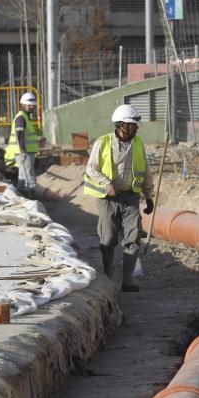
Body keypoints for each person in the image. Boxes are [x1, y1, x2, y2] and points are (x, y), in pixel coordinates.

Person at [82, 104, 155, 292]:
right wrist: (106, 183)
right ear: (121, 125)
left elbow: (145, 170)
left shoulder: (137, 143)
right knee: (108, 238)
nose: (135, 128)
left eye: (135, 125)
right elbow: (91, 168)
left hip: (130, 197)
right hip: (107, 198)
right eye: (132, 125)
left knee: (133, 237)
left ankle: (127, 281)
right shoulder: (103, 142)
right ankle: (108, 274)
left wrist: (148, 196)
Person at [3, 92, 39, 197]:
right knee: (28, 177)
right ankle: (30, 197)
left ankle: (22, 196)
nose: (32, 107)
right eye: (29, 105)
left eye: (33, 105)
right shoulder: (21, 118)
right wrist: (22, 151)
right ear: (23, 104)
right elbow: (19, 135)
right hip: (24, 152)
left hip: (27, 151)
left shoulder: (25, 118)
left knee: (23, 176)